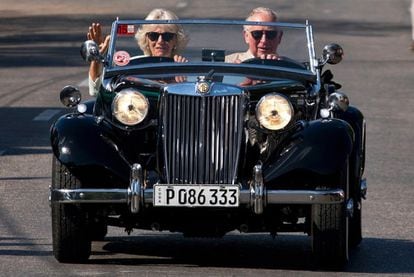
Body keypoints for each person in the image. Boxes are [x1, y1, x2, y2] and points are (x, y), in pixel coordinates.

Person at [87, 8, 189, 96]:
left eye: (167, 36)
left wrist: (181, 76)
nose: (160, 41)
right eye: (153, 36)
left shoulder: (190, 69)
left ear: (176, 40)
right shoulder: (131, 65)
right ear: (146, 39)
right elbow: (96, 91)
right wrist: (97, 58)